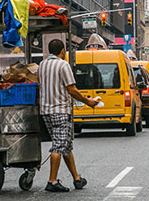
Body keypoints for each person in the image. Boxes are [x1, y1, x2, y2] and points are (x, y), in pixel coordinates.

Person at [39, 39, 98, 192]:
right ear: (62, 50)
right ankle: (52, 181)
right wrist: (88, 101)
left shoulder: (42, 65)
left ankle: (76, 178)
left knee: (65, 145)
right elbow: (72, 89)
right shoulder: (63, 65)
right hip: (60, 110)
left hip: (46, 111)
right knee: (59, 146)